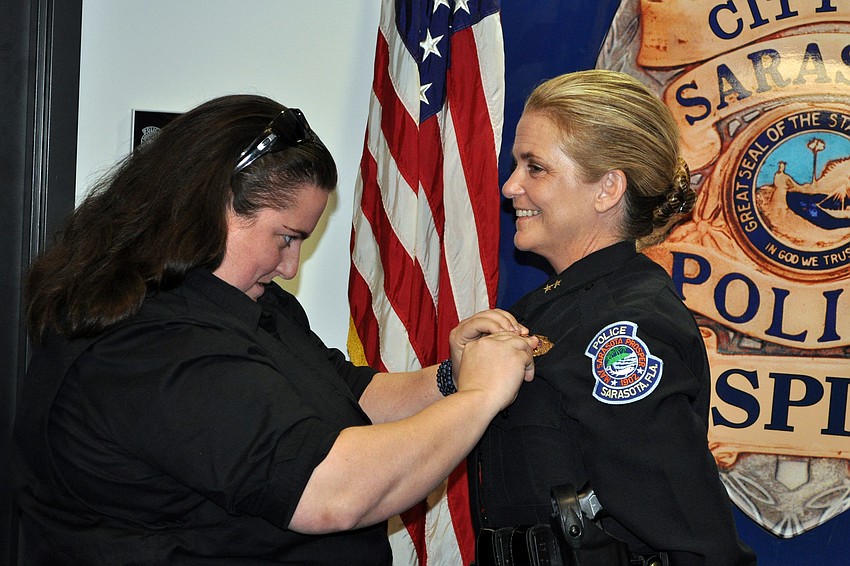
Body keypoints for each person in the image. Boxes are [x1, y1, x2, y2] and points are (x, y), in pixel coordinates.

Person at [13, 94, 539, 564]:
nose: (290, 267)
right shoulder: (147, 347)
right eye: (286, 238)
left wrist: (451, 377)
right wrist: (479, 397)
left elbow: (349, 394)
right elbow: (333, 493)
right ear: (211, 207)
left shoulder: (238, 298)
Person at [469, 70, 757, 564]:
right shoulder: (546, 311)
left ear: (607, 189)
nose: (510, 185)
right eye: (517, 165)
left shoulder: (622, 329)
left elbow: (698, 545)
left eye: (535, 168)